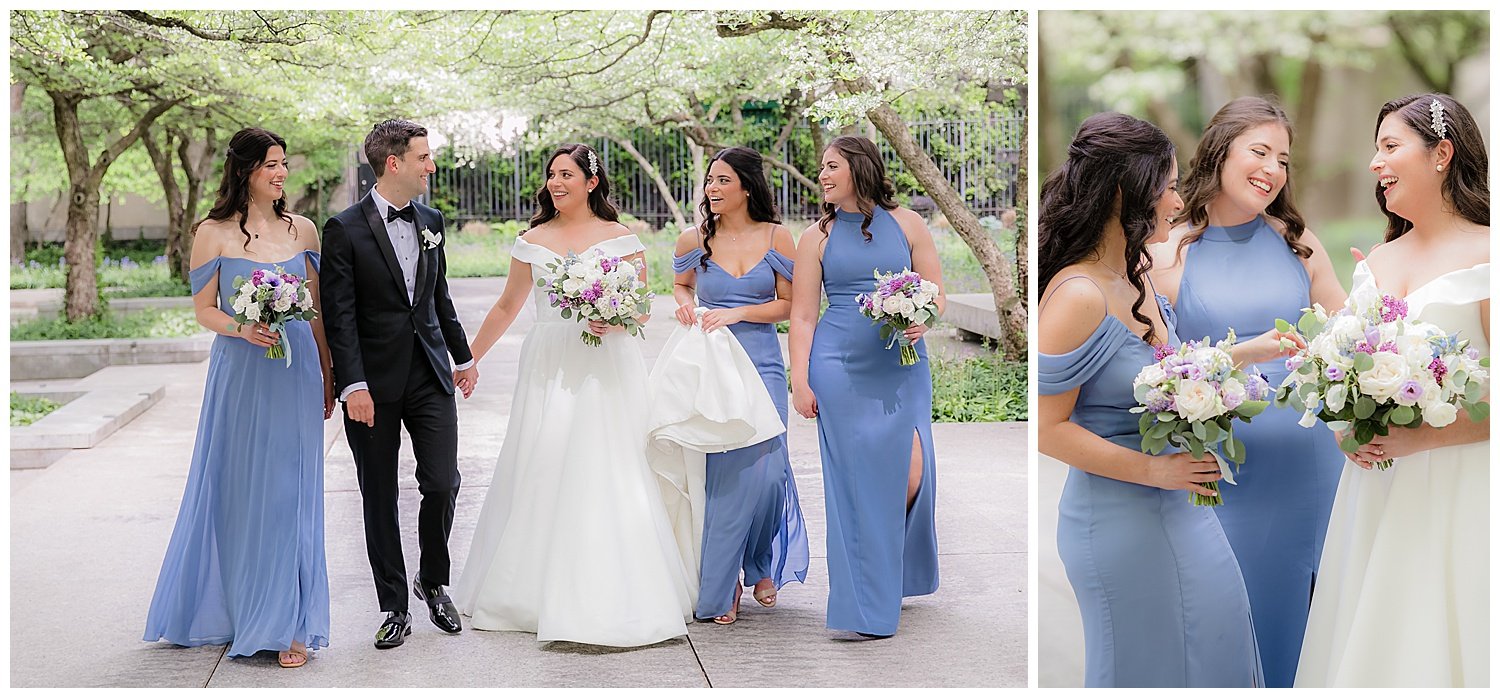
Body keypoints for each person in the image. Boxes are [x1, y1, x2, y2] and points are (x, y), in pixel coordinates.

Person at [1037, 113, 1261, 687]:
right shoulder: (1078, 295)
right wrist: (1154, 471)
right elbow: (1046, 428)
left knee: (1219, 647)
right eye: (1167, 184)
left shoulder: (1136, 278)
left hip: (1182, 508)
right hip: (1121, 519)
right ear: (1125, 191)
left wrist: (1246, 356)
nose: (1176, 199)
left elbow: (1166, 374)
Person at [453, 143, 693, 647]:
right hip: (550, 365)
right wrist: (470, 358)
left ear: (591, 182)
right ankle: (532, 592)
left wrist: (619, 316)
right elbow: (505, 308)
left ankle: (614, 587)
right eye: (551, 174)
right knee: (546, 462)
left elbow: (645, 307)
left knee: (609, 465)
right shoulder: (531, 240)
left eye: (567, 173)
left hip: (607, 364)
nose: (556, 182)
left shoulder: (621, 239)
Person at [1147, 96, 1344, 687]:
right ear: (1220, 151)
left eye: (1283, 159)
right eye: (1259, 152)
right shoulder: (1167, 251)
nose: (1273, 170)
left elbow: (1344, 337)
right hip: (1222, 470)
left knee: (1314, 619)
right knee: (1227, 620)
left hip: (1311, 467)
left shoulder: (1297, 239)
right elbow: (1161, 370)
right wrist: (1247, 351)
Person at [1297, 93, 1490, 688]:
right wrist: (1342, 427)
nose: (1376, 163)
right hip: (1374, 490)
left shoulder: (1492, 255)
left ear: (1442, 154)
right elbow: (1342, 377)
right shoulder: (1375, 264)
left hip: (1463, 486)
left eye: (1389, 146)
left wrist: (1422, 440)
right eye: (1374, 150)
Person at [143, 127, 333, 669]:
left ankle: (290, 623)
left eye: (284, 164)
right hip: (242, 375)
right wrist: (241, 328)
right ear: (245, 171)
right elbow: (203, 310)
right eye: (270, 164)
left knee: (291, 496)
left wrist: (327, 371)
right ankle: (249, 614)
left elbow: (315, 310)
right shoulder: (214, 232)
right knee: (246, 495)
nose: (281, 173)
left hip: (293, 375)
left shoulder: (304, 232)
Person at [320, 119, 477, 649]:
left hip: (429, 373)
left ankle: (432, 580)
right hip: (372, 385)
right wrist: (352, 386)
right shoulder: (343, 229)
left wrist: (463, 357)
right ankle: (393, 606)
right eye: (424, 157)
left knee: (442, 481)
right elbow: (339, 317)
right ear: (395, 163)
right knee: (379, 495)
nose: (430, 166)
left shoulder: (431, 220)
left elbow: (439, 298)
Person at [788, 135, 941, 639]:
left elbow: (935, 292)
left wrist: (923, 318)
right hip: (840, 365)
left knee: (913, 471)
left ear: (859, 167)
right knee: (855, 486)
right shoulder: (818, 236)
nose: (823, 175)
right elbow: (804, 315)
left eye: (832, 166)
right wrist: (801, 378)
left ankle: (885, 568)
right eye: (821, 167)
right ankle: (865, 603)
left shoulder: (910, 224)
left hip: (902, 363)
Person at [670, 146, 809, 625]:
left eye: (723, 181)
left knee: (768, 471)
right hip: (713, 366)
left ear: (747, 187)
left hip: (763, 361)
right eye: (710, 181)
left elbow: (790, 304)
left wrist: (740, 312)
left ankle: (760, 561)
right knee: (724, 474)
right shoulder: (694, 238)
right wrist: (686, 304)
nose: (712, 189)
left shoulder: (778, 237)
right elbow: (681, 285)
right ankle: (726, 578)